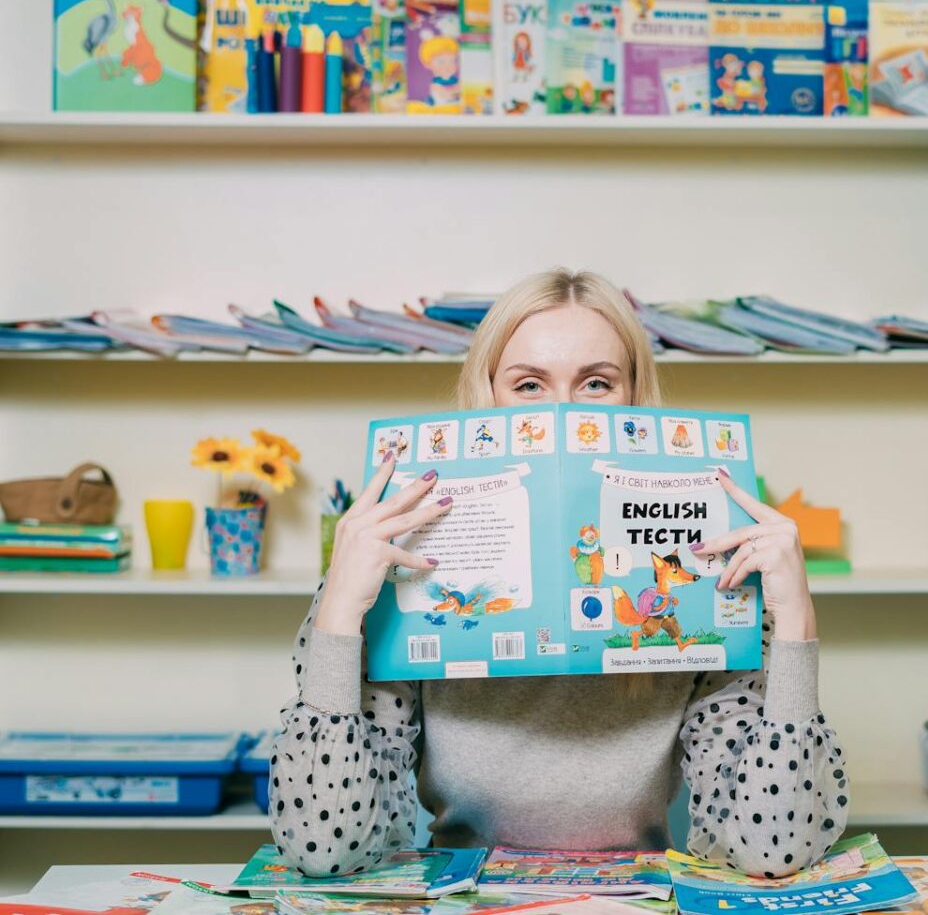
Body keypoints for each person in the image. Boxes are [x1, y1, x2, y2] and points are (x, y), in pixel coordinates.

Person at [271, 269, 849, 878]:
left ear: (633, 402)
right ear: (487, 398)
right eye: (529, 384)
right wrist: (339, 611)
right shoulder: (399, 572)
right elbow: (322, 849)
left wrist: (794, 626)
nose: (562, 412)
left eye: (596, 383)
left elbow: (772, 850)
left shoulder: (707, 575)